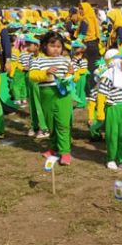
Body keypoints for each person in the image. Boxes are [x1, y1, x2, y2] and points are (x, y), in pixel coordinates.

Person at [29, 32, 74, 164]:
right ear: (44, 46)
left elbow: (73, 78)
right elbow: (32, 76)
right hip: (46, 94)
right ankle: (53, 148)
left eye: (59, 46)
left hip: (62, 95)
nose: (56, 49)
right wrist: (45, 73)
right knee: (51, 124)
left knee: (63, 124)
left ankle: (65, 152)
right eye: (52, 45)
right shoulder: (38, 60)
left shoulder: (65, 60)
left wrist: (71, 74)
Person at [97, 49, 122, 170]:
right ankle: (111, 158)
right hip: (112, 108)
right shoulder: (107, 76)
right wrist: (101, 112)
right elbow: (101, 95)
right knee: (112, 134)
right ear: (115, 61)